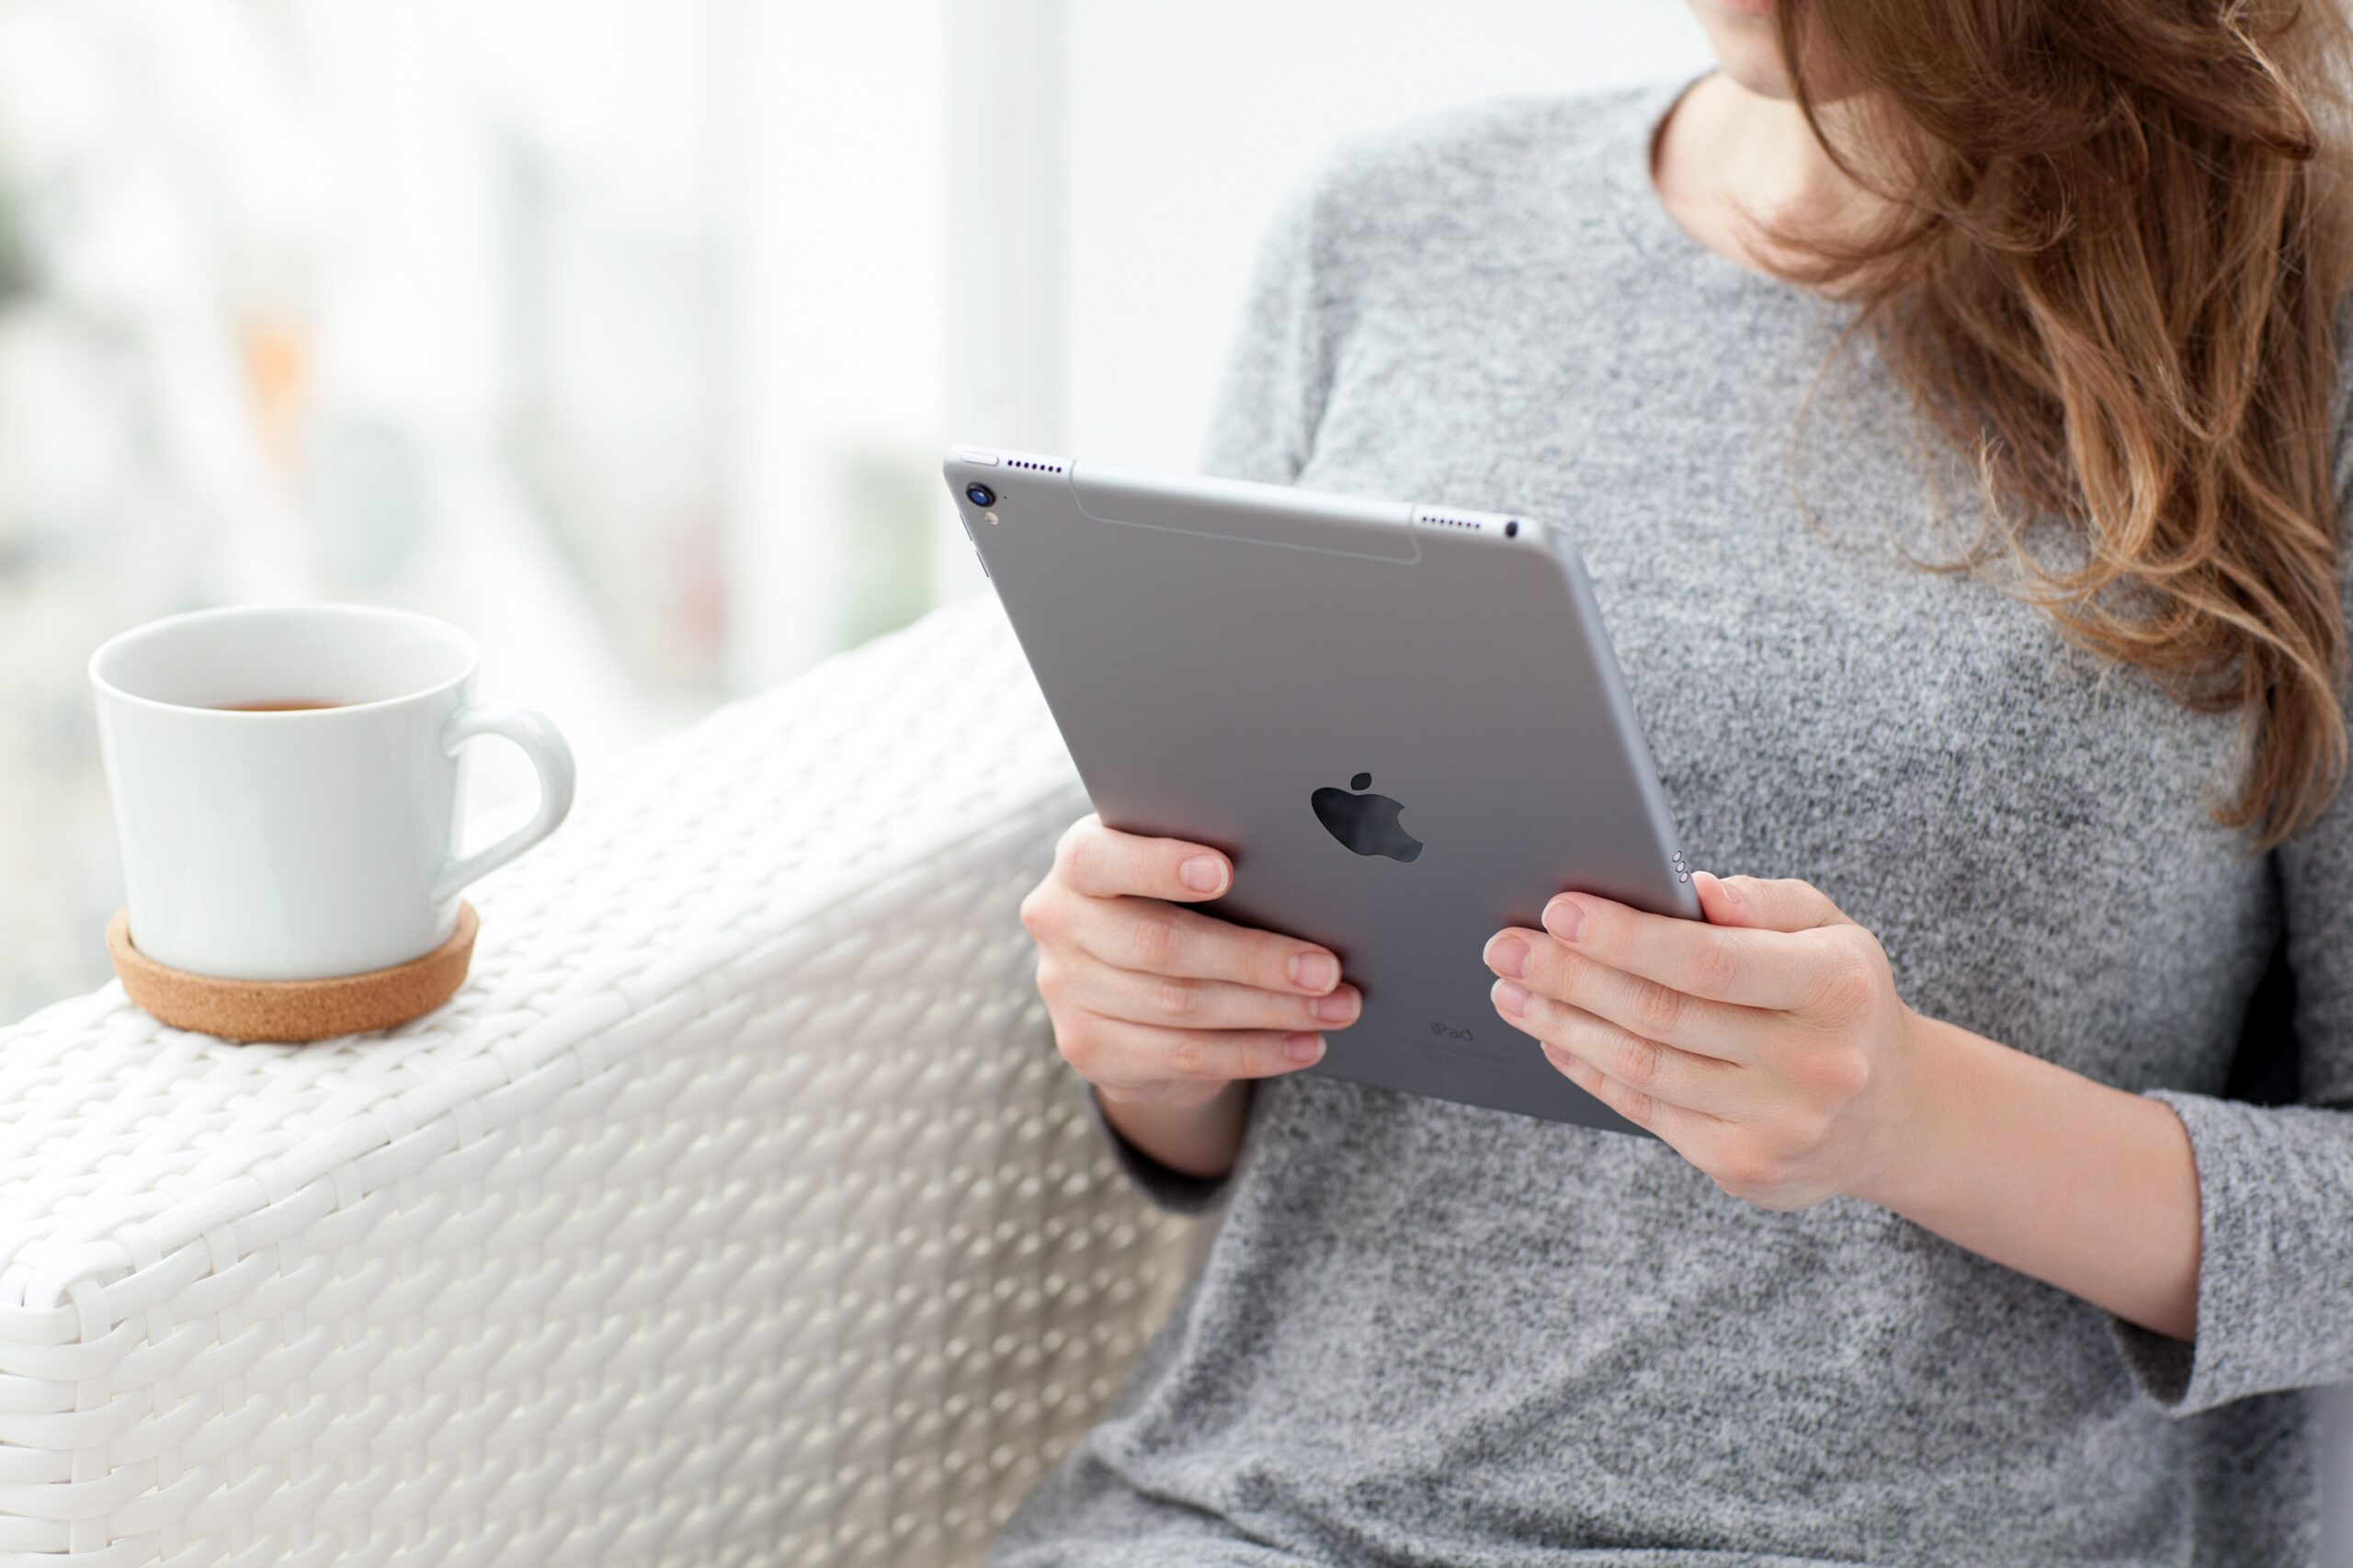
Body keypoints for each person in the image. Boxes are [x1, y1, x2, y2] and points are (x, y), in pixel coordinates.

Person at [994, 1, 2353, 1563]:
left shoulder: (2302, 327)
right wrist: (1152, 1033)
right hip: (1255, 1513)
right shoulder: (1385, 231)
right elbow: (1225, 1083)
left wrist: (1915, 1120)